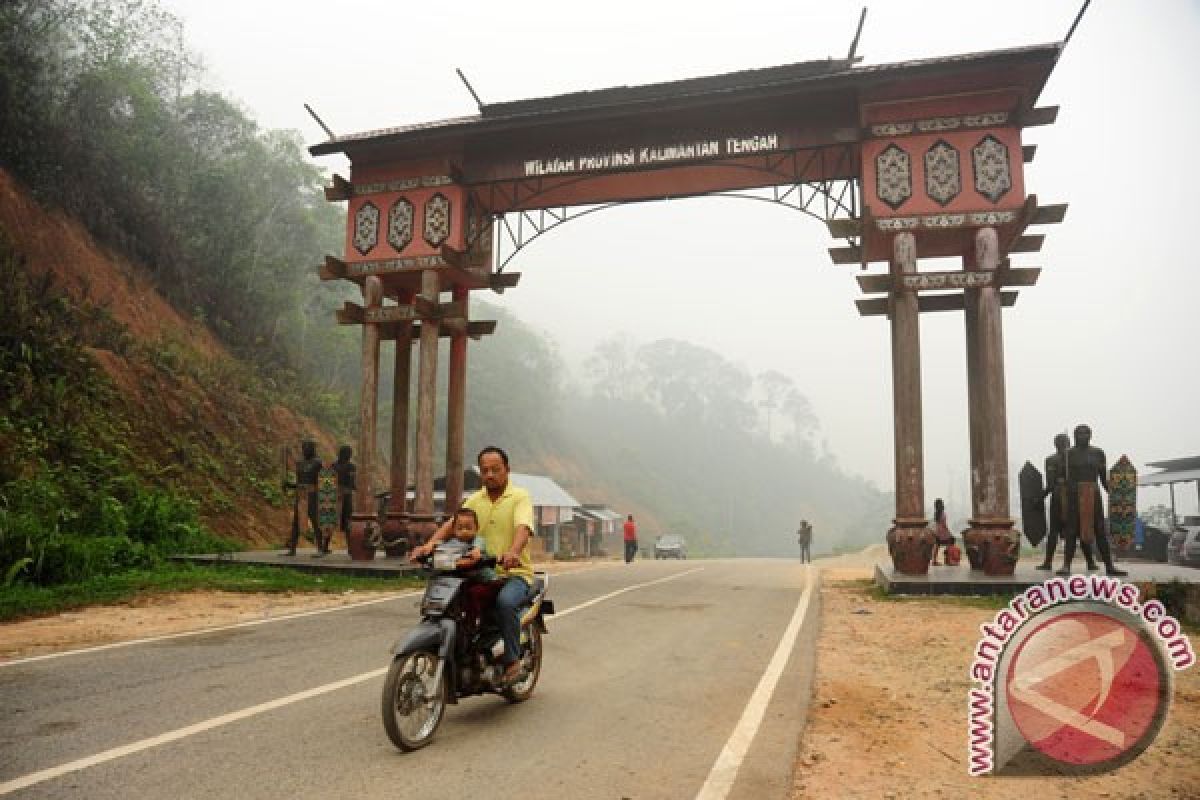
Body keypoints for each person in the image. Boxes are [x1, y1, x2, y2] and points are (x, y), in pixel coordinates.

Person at [411, 446, 534, 685]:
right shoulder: (476, 499)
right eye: (485, 470)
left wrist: (513, 552)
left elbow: (524, 528)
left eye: (495, 470)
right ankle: (465, 652)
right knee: (453, 602)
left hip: (512, 573)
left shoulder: (519, 497)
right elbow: (452, 524)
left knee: (505, 603)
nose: (489, 475)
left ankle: (512, 660)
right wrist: (429, 546)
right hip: (476, 571)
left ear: (507, 470)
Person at [1059, 424, 1127, 577]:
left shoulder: (1098, 453)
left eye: (1086, 433)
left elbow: (1103, 479)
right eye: (1079, 433)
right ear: (1074, 436)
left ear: (1090, 435)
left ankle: (1109, 566)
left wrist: (1117, 493)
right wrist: (1064, 497)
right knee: (1071, 530)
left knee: (1100, 530)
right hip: (1074, 495)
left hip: (1093, 494)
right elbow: (1062, 478)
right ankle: (1066, 565)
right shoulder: (1068, 454)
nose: (1083, 436)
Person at [1037, 433, 1097, 571]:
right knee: (1078, 528)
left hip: (1063, 495)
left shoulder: (1052, 460)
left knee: (1056, 530)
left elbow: (1051, 484)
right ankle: (1090, 562)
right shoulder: (1073, 458)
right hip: (1074, 495)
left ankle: (1048, 562)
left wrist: (1041, 497)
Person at [450, 507, 501, 638]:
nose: (464, 531)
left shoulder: (478, 541)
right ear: (453, 529)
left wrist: (475, 552)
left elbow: (477, 551)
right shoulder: (452, 543)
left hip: (489, 582)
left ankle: (472, 625)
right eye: (460, 528)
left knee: (473, 594)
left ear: (476, 528)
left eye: (468, 527)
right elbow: (442, 550)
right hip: (469, 580)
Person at [282, 439, 322, 556]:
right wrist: (290, 485)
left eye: (307, 448)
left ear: (312, 449)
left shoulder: (318, 463)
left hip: (313, 495)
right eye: (303, 448)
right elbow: (299, 482)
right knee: (296, 521)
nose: (304, 450)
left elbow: (323, 482)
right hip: (301, 495)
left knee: (315, 521)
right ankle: (292, 548)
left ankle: (320, 548)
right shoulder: (299, 463)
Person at [332, 444, 357, 540]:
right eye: (349, 453)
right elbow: (352, 483)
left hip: (335, 495)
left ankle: (325, 547)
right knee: (347, 520)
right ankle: (350, 546)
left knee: (331, 520)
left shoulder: (333, 466)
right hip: (346, 496)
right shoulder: (351, 466)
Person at [930, 499, 955, 565]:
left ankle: (934, 561)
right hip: (942, 531)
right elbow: (944, 524)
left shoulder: (936, 513)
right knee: (950, 542)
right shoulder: (942, 513)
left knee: (937, 545)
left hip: (937, 531)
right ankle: (948, 560)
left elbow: (937, 523)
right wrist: (948, 531)